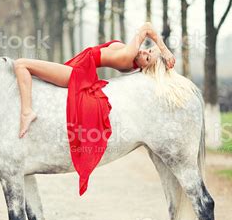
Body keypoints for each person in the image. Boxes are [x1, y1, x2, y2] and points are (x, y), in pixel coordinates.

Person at [13, 22, 176, 138]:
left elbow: (147, 27)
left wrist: (164, 50)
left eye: (147, 59)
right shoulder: (131, 55)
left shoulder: (128, 56)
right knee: (31, 72)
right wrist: (161, 51)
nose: (144, 53)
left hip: (76, 74)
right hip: (77, 69)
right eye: (148, 50)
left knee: (21, 65)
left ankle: (27, 112)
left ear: (143, 68)